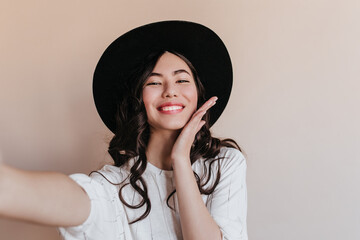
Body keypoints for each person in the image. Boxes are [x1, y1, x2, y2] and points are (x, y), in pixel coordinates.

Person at [0, 21, 247, 240]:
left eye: (182, 80)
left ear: (199, 94)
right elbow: (74, 199)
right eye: (154, 82)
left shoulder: (225, 164)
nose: (170, 90)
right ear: (138, 99)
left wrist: (180, 159)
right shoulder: (113, 185)